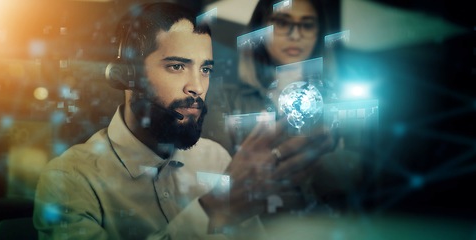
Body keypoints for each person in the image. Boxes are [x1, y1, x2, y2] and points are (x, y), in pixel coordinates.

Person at [33, 2, 333, 240]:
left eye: (205, 70)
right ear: (127, 75)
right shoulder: (69, 181)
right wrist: (213, 210)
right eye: (177, 66)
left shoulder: (216, 159)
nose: (198, 87)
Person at [202, 0, 364, 214]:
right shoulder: (223, 97)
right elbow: (214, 175)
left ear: (318, 33)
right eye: (281, 22)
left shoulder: (340, 99)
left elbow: (357, 175)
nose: (295, 35)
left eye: (306, 25)